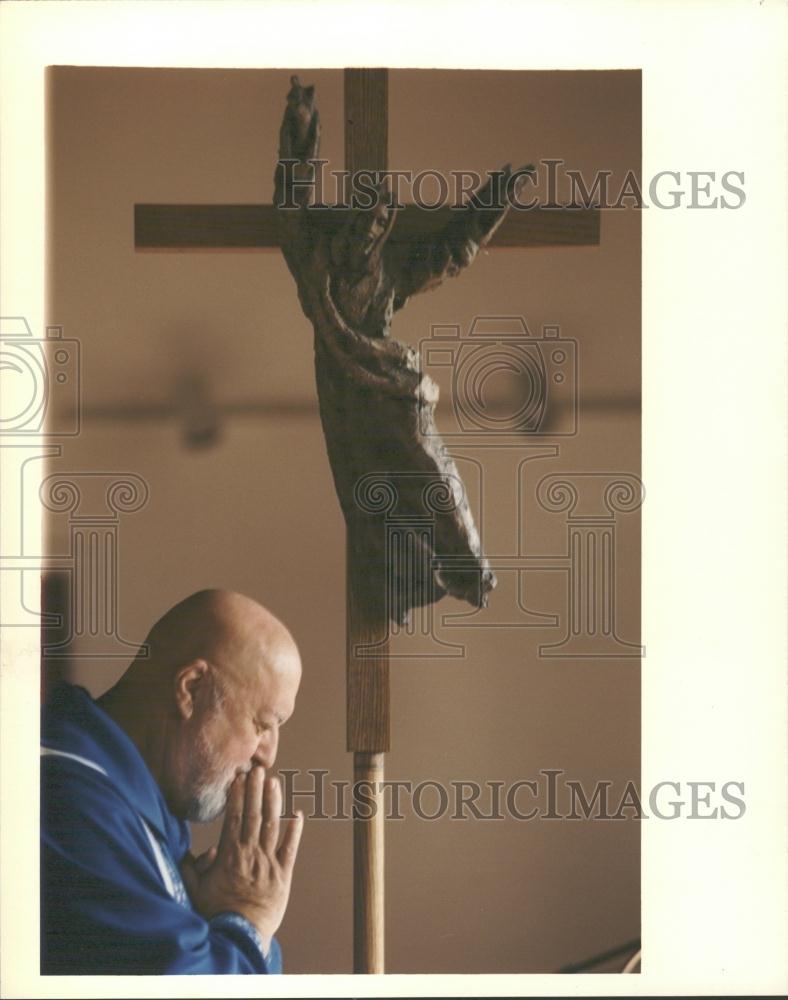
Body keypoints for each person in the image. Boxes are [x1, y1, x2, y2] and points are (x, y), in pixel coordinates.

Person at [40, 589, 304, 975]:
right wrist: (247, 919)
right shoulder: (67, 798)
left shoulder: (145, 805)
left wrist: (224, 918)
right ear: (192, 689)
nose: (267, 755)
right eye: (262, 725)